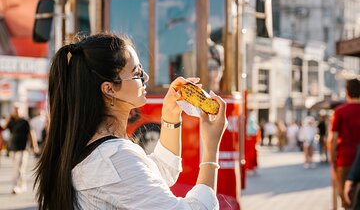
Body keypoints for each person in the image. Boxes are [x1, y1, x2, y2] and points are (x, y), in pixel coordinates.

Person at [35, 33, 228, 210]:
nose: (146, 77)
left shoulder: (97, 147)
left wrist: (170, 114)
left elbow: (161, 173)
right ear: (109, 89)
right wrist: (211, 148)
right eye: (136, 74)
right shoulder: (114, 156)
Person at [328, 78, 360, 209]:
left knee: (347, 200)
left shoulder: (340, 111)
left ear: (347, 92)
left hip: (345, 160)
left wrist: (332, 159)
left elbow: (332, 139)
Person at [3, 106, 39, 194]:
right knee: (17, 168)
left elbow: (31, 133)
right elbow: (3, 128)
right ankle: (23, 185)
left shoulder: (25, 121)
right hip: (12, 148)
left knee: (19, 168)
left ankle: (17, 186)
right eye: (15, 110)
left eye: (17, 110)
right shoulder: (11, 121)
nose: (16, 112)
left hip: (23, 148)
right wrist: (8, 118)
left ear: (21, 111)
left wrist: (34, 146)